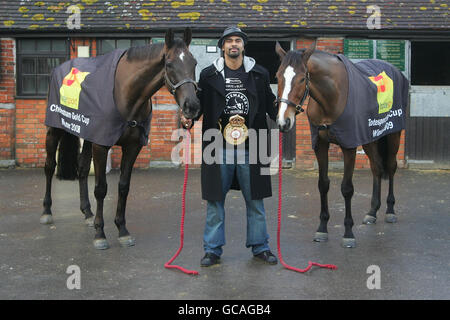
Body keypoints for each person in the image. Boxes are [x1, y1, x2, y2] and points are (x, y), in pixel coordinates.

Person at [182, 26, 278, 267]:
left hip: (253, 145)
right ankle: (212, 250)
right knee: (215, 201)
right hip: (217, 146)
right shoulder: (208, 75)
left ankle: (260, 247)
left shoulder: (259, 73)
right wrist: (187, 118)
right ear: (222, 46)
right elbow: (198, 108)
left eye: (238, 41)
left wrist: (289, 111)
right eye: (229, 41)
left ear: (243, 46)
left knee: (256, 200)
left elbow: (271, 107)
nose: (233, 44)